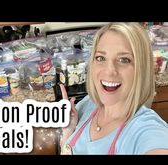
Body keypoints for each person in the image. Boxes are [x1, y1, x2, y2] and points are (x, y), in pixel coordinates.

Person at [59, 22, 168, 155]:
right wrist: (68, 131)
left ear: (142, 69)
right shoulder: (88, 104)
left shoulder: (145, 130)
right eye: (100, 58)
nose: (109, 71)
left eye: (124, 60)